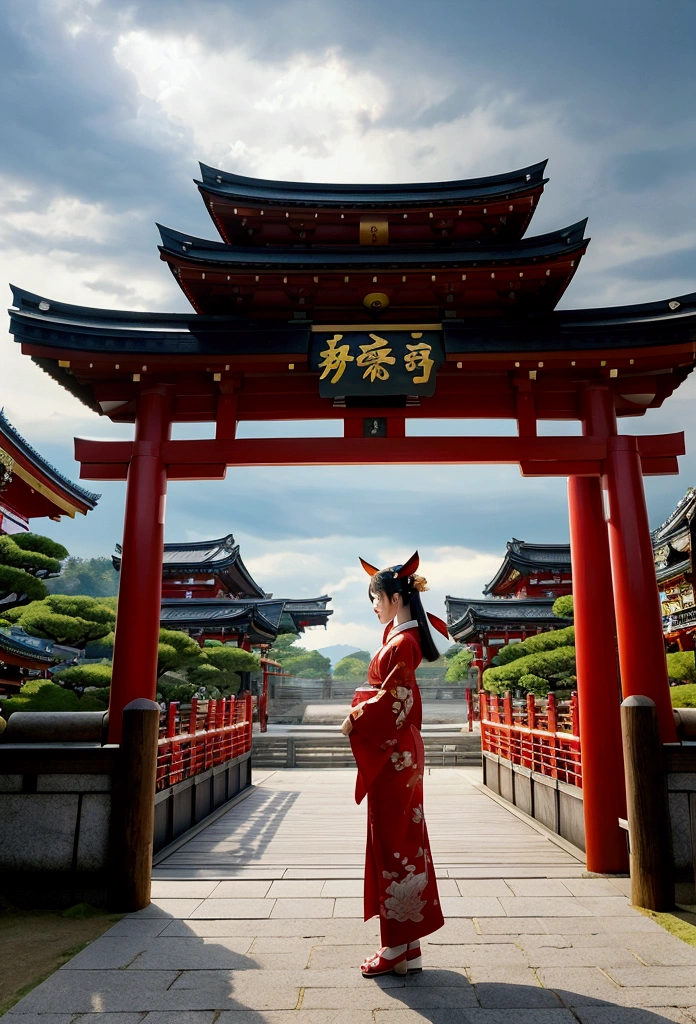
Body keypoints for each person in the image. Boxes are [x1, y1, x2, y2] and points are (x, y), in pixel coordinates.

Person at [340, 551, 447, 977]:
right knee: (403, 839)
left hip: (396, 752)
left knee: (394, 842)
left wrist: (355, 717)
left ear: (395, 597)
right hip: (401, 751)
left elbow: (395, 699)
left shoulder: (402, 642)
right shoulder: (401, 638)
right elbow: (393, 694)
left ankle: (393, 948)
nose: (374, 606)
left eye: (377, 597)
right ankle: (410, 946)